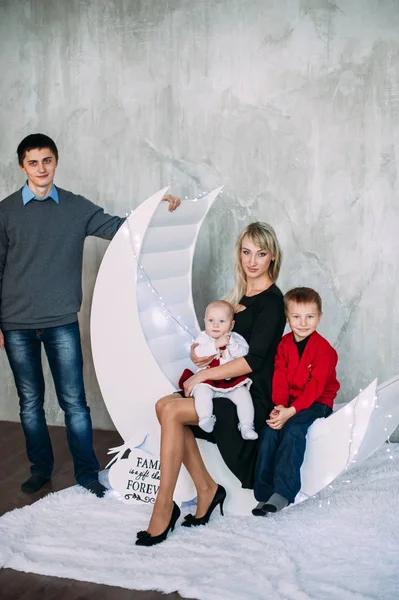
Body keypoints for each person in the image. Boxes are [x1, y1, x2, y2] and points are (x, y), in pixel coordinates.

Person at [0, 133, 180, 497]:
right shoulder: (5, 212)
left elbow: (121, 228)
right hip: (16, 323)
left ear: (56, 162)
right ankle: (40, 469)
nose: (41, 168)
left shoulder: (75, 208)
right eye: (33, 162)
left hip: (61, 320)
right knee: (30, 402)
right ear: (22, 166)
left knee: (74, 402)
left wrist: (155, 207)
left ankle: (86, 472)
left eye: (47, 160)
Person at [136, 221, 286, 546]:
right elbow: (222, 342)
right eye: (246, 252)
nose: (252, 261)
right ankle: (207, 488)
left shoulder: (272, 302)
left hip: (248, 395)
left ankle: (164, 506)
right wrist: (201, 355)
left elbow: (253, 360)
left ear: (272, 256)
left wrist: (203, 375)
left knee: (173, 413)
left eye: (260, 253)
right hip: (225, 386)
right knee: (164, 405)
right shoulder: (239, 296)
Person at [252, 287, 340, 516]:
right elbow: (279, 377)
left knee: (292, 430)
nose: (303, 323)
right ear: (287, 318)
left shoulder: (325, 351)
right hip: (288, 403)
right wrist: (279, 407)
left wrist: (290, 412)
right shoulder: (283, 345)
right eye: (296, 317)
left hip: (317, 402)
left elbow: (315, 387)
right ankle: (263, 493)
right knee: (270, 431)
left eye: (310, 316)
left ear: (319, 317)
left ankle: (284, 491)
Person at [178, 299, 258, 440]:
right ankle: (205, 418)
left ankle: (246, 426)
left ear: (231, 324)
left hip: (230, 381)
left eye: (221, 321)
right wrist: (216, 344)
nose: (215, 325)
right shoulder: (203, 337)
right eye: (210, 320)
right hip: (207, 380)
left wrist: (231, 344)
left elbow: (244, 355)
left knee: (244, 396)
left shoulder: (235, 338)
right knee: (202, 393)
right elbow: (198, 353)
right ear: (205, 321)